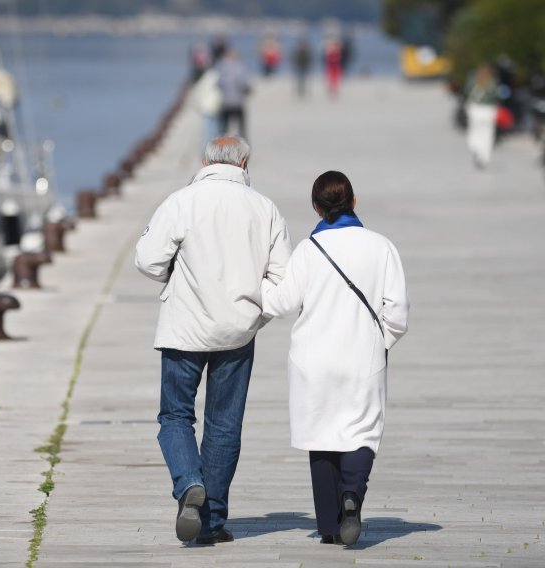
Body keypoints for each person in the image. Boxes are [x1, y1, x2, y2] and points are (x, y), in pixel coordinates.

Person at [135, 136, 293, 545]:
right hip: (238, 331)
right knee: (224, 425)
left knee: (174, 417)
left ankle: (188, 482)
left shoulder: (181, 201)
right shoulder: (265, 208)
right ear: (244, 162)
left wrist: (173, 277)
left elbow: (148, 259)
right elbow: (283, 279)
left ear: (204, 160)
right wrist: (257, 315)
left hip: (184, 327)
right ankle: (212, 521)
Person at [261, 171, 409, 546]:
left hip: (312, 359)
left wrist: (255, 281)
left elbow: (280, 303)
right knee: (362, 431)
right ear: (354, 202)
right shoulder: (381, 246)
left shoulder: (308, 251)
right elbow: (399, 313)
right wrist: (381, 342)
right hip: (363, 356)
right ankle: (351, 497)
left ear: (316, 207)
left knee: (321, 433)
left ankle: (329, 526)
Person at [464, 62, 499, 168]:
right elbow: (496, 96)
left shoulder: (472, 81)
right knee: (487, 134)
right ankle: (484, 157)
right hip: (488, 110)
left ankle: (475, 148)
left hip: (475, 108)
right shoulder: (492, 82)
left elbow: (466, 92)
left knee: (475, 130)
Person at [216, 49, 252, 139]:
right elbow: (244, 84)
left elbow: (218, 83)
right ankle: (243, 145)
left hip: (226, 102)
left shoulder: (221, 68)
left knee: (224, 128)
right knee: (241, 128)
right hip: (238, 102)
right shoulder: (240, 68)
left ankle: (223, 145)